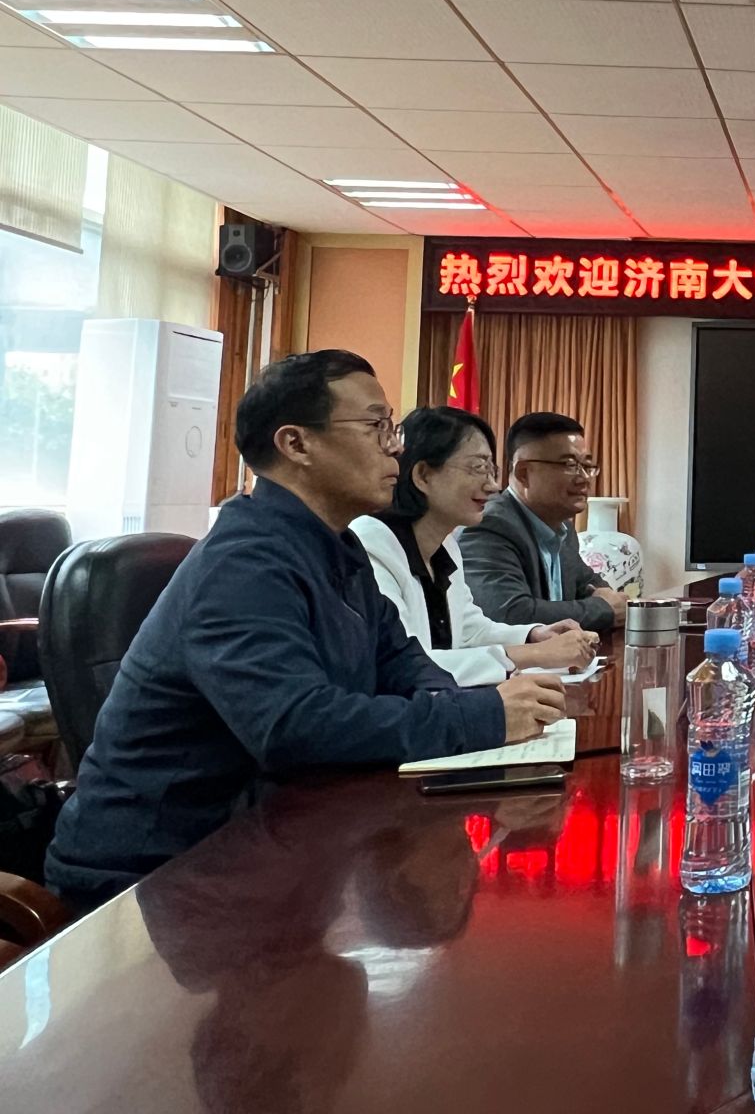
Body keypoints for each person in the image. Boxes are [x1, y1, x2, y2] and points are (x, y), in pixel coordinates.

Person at [43, 352, 564, 910]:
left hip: (271, 850)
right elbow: (295, 727)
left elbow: (404, 664)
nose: (395, 446)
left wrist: (471, 711)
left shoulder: (337, 546)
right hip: (156, 879)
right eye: (376, 426)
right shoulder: (244, 563)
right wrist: (483, 716)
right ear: (296, 444)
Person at [352, 406, 599, 687]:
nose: (493, 486)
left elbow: (469, 630)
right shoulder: (372, 545)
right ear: (424, 475)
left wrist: (533, 635)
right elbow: (405, 666)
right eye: (478, 468)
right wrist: (535, 654)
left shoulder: (444, 545)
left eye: (492, 469)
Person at [460, 411, 627, 634]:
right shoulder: (489, 526)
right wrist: (604, 609)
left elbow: (593, 585)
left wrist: (605, 599)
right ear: (523, 473)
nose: (584, 478)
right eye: (569, 465)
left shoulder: (562, 527)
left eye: (587, 466)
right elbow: (511, 614)